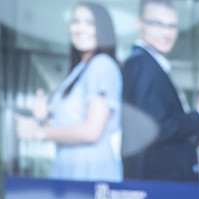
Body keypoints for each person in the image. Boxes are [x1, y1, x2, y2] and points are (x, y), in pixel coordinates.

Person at [14, 3, 122, 182]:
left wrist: (38, 132)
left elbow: (92, 131)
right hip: (72, 172)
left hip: (90, 174)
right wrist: (43, 119)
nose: (80, 29)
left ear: (103, 29)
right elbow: (70, 126)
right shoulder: (80, 70)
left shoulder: (101, 65)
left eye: (89, 23)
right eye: (75, 22)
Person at [121, 0, 199, 182]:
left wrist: (198, 127)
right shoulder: (143, 65)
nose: (166, 33)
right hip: (158, 187)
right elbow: (155, 127)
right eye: (157, 24)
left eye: (172, 26)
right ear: (139, 22)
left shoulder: (149, 65)